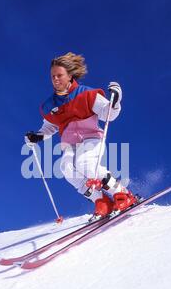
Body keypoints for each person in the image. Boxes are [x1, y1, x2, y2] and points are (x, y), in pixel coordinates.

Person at [25, 52, 138, 219]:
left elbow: (108, 113)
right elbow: (50, 126)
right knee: (67, 169)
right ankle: (101, 201)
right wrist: (38, 136)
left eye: (59, 75)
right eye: (53, 76)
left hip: (91, 138)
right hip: (70, 143)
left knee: (86, 164)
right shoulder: (51, 105)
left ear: (70, 75)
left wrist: (115, 102)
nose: (55, 79)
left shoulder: (86, 94)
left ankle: (123, 194)